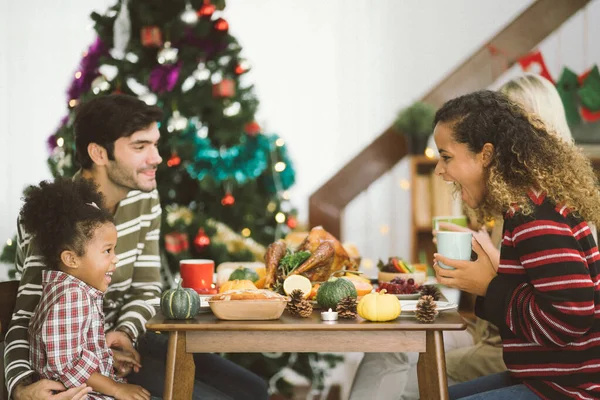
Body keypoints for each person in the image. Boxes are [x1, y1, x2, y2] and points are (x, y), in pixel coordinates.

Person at [4, 94, 268, 400]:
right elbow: (25, 317)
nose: (156, 157)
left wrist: (125, 332)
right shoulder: (58, 218)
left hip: (126, 343)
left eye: (155, 144)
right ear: (99, 153)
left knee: (253, 390)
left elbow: (146, 288)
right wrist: (21, 388)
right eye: (140, 146)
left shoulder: (145, 198)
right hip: (76, 360)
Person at [349, 74, 573, 400]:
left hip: (525, 358)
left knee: (413, 374)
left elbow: (567, 318)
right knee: (389, 344)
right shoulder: (516, 207)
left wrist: (489, 282)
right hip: (506, 343)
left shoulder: (540, 215)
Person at [433, 89, 600, 399]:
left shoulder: (534, 218)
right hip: (547, 379)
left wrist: (489, 287)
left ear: (485, 155)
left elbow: (570, 317)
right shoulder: (526, 207)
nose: (440, 170)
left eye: (446, 157)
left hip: (569, 389)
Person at [21, 178, 152, 400]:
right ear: (71, 259)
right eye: (107, 251)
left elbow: (69, 349)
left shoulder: (68, 290)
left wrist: (106, 356)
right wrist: (116, 388)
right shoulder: (72, 297)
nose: (115, 259)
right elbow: (68, 365)